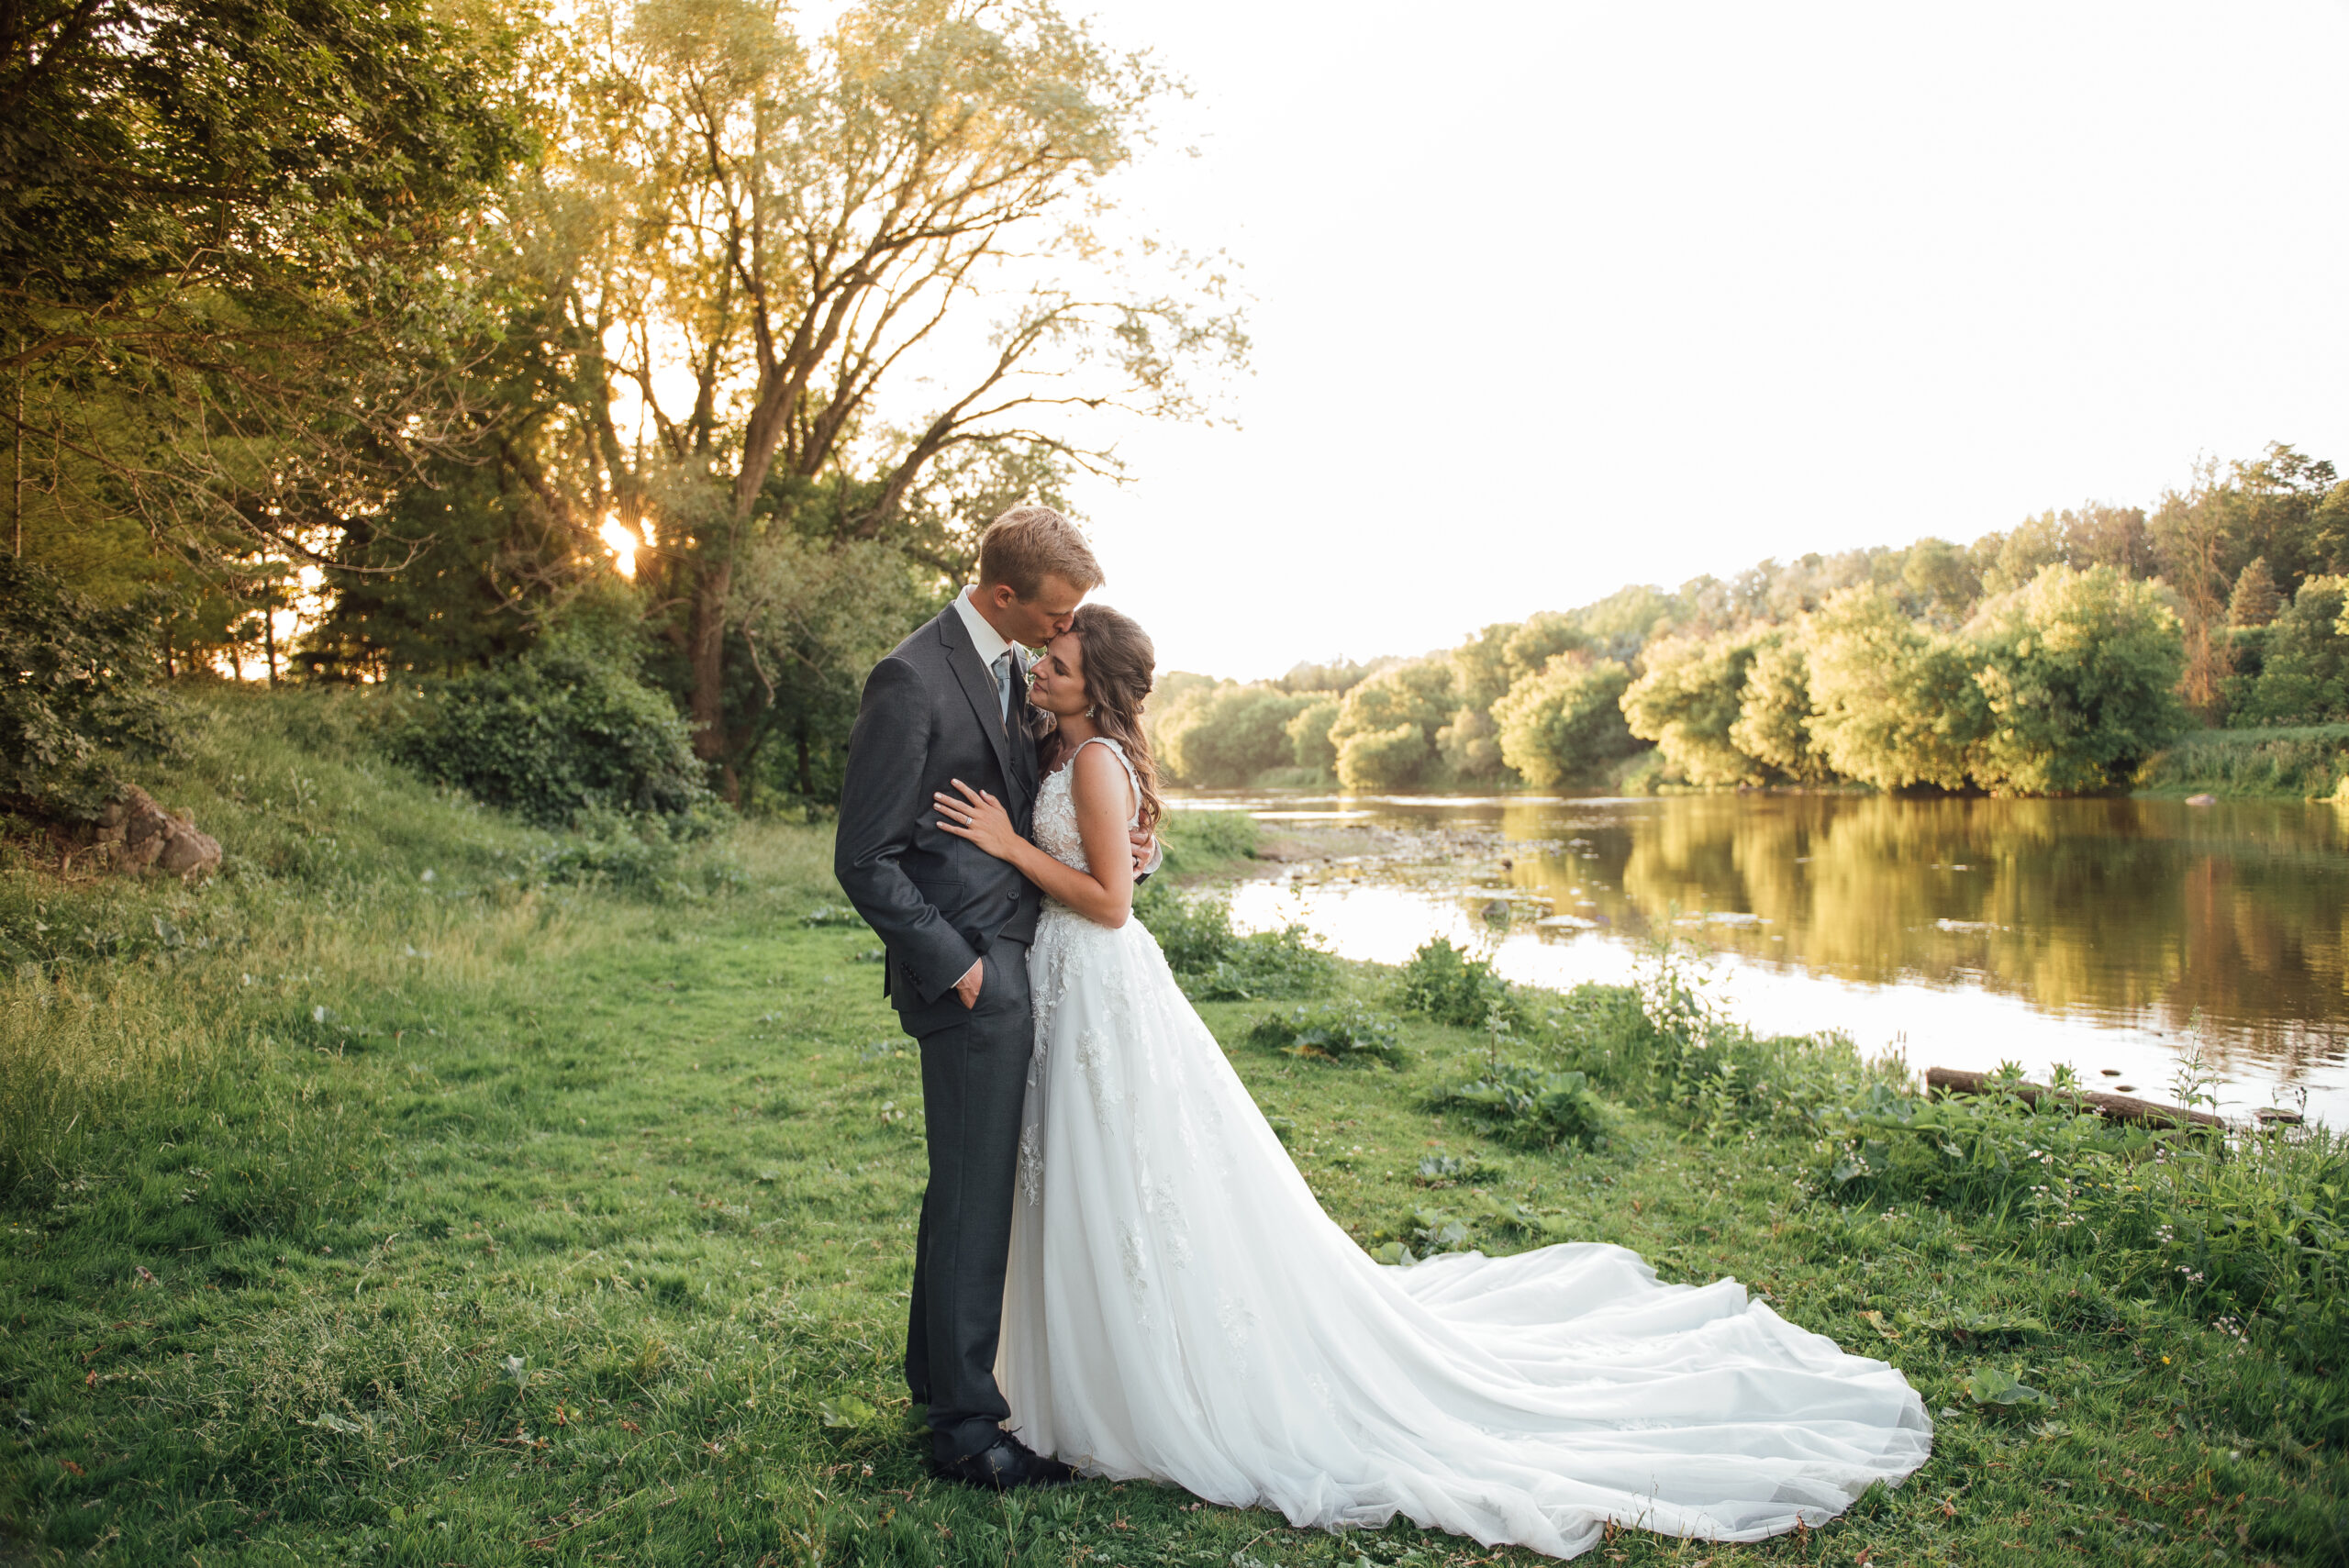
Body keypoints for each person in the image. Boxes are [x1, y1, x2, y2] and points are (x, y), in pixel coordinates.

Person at [930, 603, 1934, 1557]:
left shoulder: (1097, 759)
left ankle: (1139, 1380)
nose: (1040, 668)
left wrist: (1011, 845)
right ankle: (1067, 1368)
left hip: (1098, 976)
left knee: (1130, 1174)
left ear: (1094, 687)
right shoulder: (1063, 743)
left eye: (1057, 663)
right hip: (1066, 986)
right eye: (1044, 656)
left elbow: (1110, 900)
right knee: (1079, 1173)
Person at [832, 506, 1155, 1491]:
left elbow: (1064, 788)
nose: (1067, 629)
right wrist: (954, 961)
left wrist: (1130, 837)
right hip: (972, 971)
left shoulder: (1017, 665)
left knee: (973, 1189)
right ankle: (968, 1429)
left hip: (1039, 954)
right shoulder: (911, 677)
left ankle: (939, 1375)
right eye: (1057, 610)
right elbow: (865, 856)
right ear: (1004, 593)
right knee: (974, 1194)